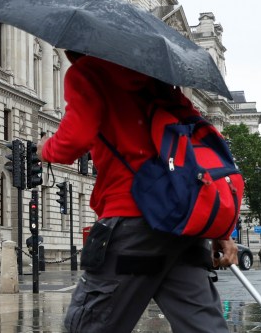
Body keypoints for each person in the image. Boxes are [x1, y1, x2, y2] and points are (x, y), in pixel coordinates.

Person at [38, 52, 237, 333]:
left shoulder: (90, 71)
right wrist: (220, 231)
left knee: (91, 324)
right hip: (181, 225)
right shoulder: (161, 83)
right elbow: (198, 157)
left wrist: (44, 148)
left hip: (131, 220)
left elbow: (73, 140)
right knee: (203, 326)